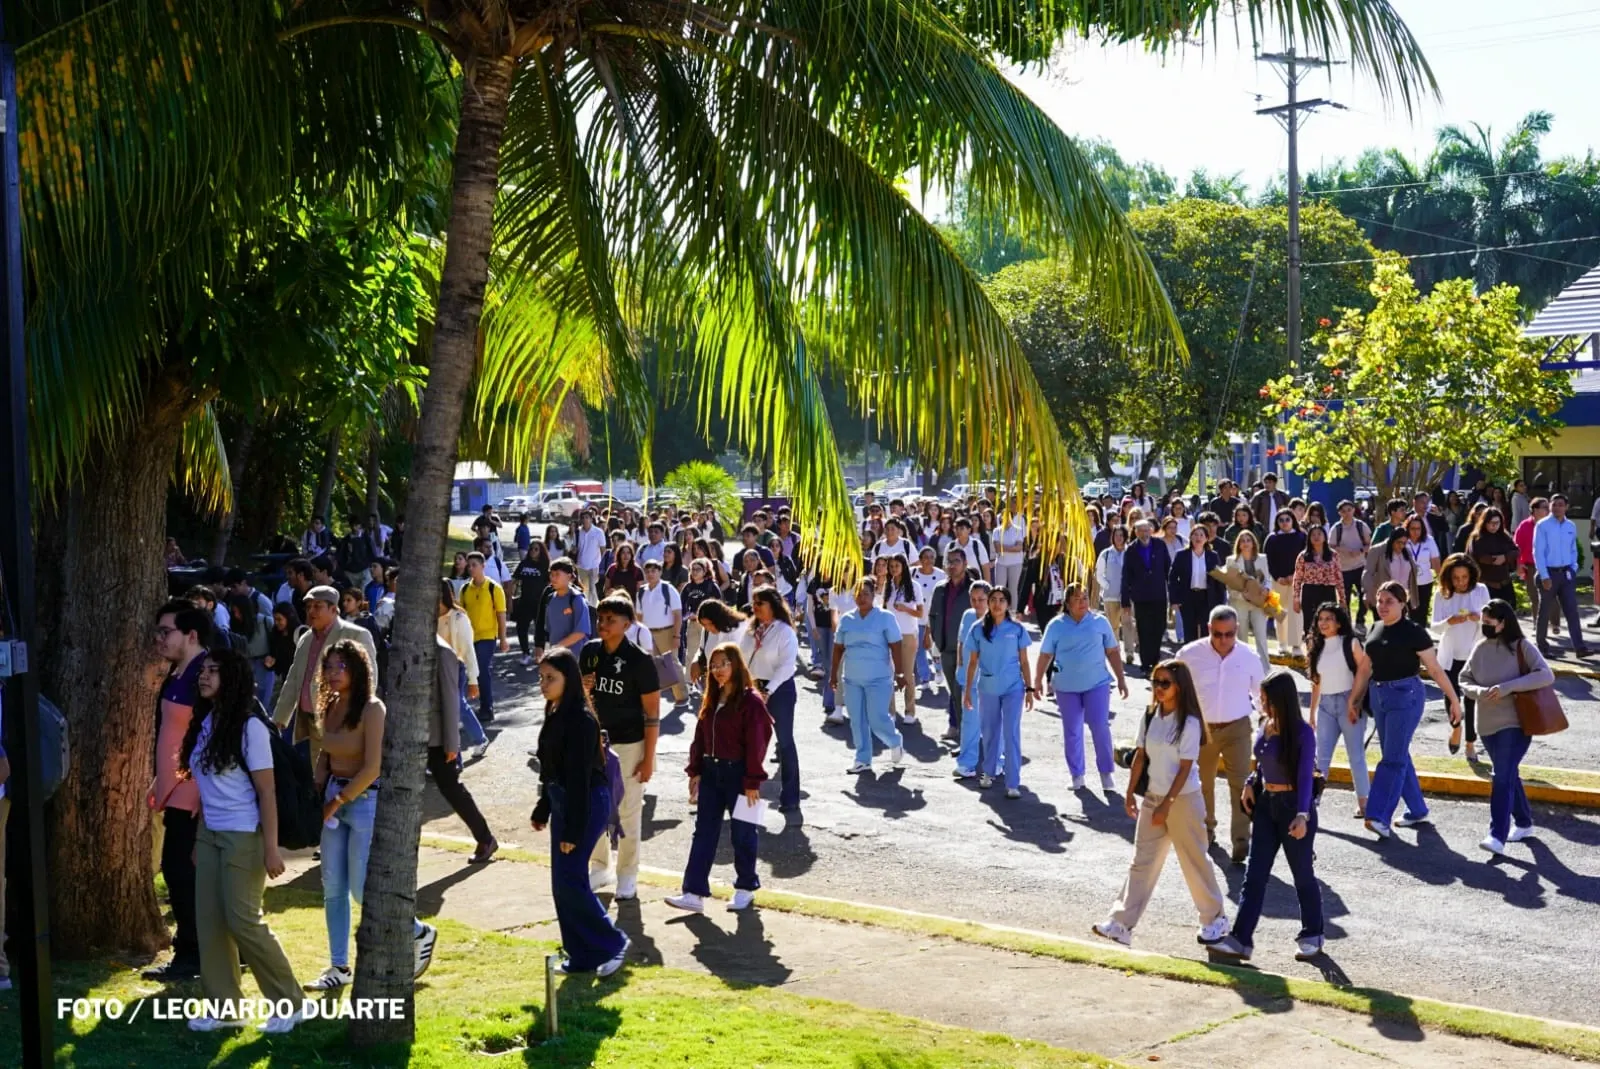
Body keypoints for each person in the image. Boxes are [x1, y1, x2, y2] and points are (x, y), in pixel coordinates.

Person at [180, 649, 303, 1033]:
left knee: (243, 920)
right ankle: (225, 1008)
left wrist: (271, 847)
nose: (204, 676)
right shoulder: (206, 723)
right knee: (210, 923)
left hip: (244, 836)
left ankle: (291, 1003)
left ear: (231, 678)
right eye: (203, 670)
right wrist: (200, 838)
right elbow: (207, 785)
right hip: (211, 835)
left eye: (213, 671)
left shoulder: (250, 727)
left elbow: (266, 792)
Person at [303, 640, 437, 991]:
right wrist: (319, 783)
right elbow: (326, 750)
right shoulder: (330, 704)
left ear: (357, 670)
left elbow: (373, 767)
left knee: (363, 888)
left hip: (363, 801)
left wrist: (338, 800)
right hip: (333, 794)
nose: (332, 673)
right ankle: (338, 966)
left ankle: (417, 931)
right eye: (328, 666)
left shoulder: (372, 709)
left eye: (340, 667)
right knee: (333, 886)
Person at [1092, 660, 1228, 948]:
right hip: (1154, 797)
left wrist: (1168, 804)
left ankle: (1215, 919)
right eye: (1155, 682)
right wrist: (1130, 793)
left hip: (1183, 801)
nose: (1158, 688)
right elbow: (1141, 756)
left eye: (1165, 683)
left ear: (1179, 687)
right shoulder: (1151, 715)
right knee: (1142, 862)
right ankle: (1121, 924)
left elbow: (1185, 768)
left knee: (1194, 861)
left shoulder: (1189, 723)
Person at [1207, 671, 1325, 963]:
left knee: (1302, 875)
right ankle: (1240, 940)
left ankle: (1313, 934)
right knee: (1254, 876)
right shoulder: (1265, 724)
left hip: (1293, 807)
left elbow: (1305, 777)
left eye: (1265, 698)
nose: (1261, 703)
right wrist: (1250, 781)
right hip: (1265, 805)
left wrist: (1302, 815)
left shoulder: (1301, 732)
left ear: (1279, 700)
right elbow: (1261, 763)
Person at [529, 648, 630, 977]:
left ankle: (612, 943)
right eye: (542, 677)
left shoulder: (581, 720)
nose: (543, 684)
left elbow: (578, 779)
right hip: (564, 802)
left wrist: (572, 832)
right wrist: (543, 808)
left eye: (551, 678)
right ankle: (581, 955)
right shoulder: (555, 711)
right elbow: (550, 770)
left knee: (572, 881)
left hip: (585, 804)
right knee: (562, 883)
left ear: (568, 679)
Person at [665, 643, 776, 914]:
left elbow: (759, 743)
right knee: (704, 832)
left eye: (723, 664)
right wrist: (695, 771)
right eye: (713, 666)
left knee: (744, 833)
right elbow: (700, 737)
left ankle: (745, 888)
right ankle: (693, 892)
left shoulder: (751, 701)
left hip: (741, 775)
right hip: (711, 773)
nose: (717, 671)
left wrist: (753, 782)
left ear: (736, 665)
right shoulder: (711, 698)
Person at [1353, 582, 1463, 839]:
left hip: (1406, 696)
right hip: (1379, 696)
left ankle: (1378, 815)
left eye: (1389, 601)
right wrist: (1354, 699)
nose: (1382, 606)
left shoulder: (1414, 632)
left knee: (1392, 758)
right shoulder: (1375, 628)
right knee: (1396, 753)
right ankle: (1417, 809)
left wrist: (1454, 700)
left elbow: (1435, 670)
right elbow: (1365, 668)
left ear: (1403, 603)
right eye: (1379, 601)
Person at [143, 600, 213, 982]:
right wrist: (160, 781)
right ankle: (202, 951)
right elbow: (171, 736)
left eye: (166, 631)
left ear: (191, 635)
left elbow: (212, 738)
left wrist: (206, 798)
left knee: (180, 870)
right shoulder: (178, 672)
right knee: (183, 872)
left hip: (197, 795)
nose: (159, 638)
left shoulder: (207, 674)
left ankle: (192, 955)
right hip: (176, 791)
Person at [580, 596, 662, 901]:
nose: (603, 625)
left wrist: (648, 759)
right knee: (593, 807)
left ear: (627, 624)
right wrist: (584, 689)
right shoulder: (589, 653)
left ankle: (628, 874)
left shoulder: (640, 661)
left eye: (610, 620)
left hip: (629, 744)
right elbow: (579, 701)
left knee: (627, 812)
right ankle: (600, 866)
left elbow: (653, 714)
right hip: (593, 742)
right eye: (600, 619)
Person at [1459, 601, 1553, 855]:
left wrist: (1509, 687)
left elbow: (1546, 675)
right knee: (1508, 773)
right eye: (1483, 623)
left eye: (1490, 623)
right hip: (1487, 726)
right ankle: (1524, 823)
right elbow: (1463, 679)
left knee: (1501, 776)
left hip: (1516, 723)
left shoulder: (1521, 646)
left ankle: (1496, 835)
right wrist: (1478, 691)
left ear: (1503, 623)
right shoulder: (1480, 649)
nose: (1485, 627)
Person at [1176, 606, 1262, 865]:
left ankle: (1240, 840)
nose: (1223, 640)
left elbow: (1261, 694)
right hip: (1202, 729)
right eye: (1217, 634)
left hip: (1237, 727)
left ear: (1236, 631)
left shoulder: (1249, 657)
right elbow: (1175, 691)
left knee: (1240, 783)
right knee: (1203, 783)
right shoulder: (1189, 655)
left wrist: (1267, 722)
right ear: (1209, 629)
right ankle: (1206, 830)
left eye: (1229, 634)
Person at [1033, 583, 1128, 791]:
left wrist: (1121, 679)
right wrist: (1038, 680)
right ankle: (1077, 774)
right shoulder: (1056, 625)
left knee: (1100, 726)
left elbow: (1112, 651)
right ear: (1067, 603)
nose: (1082, 602)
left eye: (1085, 598)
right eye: (1076, 599)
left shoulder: (1099, 622)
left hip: (1097, 684)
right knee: (1072, 730)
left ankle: (1106, 773)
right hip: (1066, 687)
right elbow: (1045, 654)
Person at [429, 629, 498, 864]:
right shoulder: (403, 643)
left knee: (451, 788)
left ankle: (485, 838)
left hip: (437, 737)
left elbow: (451, 699)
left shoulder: (442, 652)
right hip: (413, 735)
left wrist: (452, 743)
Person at [962, 586, 1034, 798]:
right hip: (988, 688)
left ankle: (1013, 782)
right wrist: (967, 690)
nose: (997, 603)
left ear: (1008, 604)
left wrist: (1029, 689)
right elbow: (973, 662)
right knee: (990, 732)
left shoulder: (1017, 630)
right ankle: (988, 772)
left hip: (1013, 688)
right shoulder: (977, 628)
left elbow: (1024, 661)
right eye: (993, 599)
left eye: (1002, 600)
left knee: (1011, 733)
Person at [830, 577, 906, 774]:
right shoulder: (847, 619)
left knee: (877, 717)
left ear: (874, 596)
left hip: (879, 678)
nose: (862, 598)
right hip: (852, 678)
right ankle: (863, 758)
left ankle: (894, 740)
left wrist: (900, 672)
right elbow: (838, 648)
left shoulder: (885, 617)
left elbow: (896, 645)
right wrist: (833, 675)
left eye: (866, 594)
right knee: (856, 719)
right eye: (858, 594)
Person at [1306, 605, 1371, 818]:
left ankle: (1364, 804)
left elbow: (1365, 671)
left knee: (1356, 756)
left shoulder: (1350, 643)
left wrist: (1355, 702)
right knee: (1321, 757)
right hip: (1325, 706)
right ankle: (1311, 802)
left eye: (1329, 619)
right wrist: (1312, 712)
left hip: (1348, 703)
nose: (1324, 623)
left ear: (1339, 622)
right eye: (1320, 619)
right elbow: (1316, 682)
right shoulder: (1314, 645)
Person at [742, 588, 801, 814]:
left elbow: (787, 666)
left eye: (760, 603)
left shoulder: (784, 632)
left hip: (779, 689)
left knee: (785, 742)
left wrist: (769, 690)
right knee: (748, 744)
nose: (755, 607)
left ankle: (790, 798)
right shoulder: (751, 630)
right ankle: (745, 801)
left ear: (773, 605)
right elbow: (742, 657)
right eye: (754, 602)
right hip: (754, 687)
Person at [1433, 554, 1490, 761]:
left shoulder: (1481, 591)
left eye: (1464, 577)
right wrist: (1449, 621)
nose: (1460, 582)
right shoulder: (1442, 595)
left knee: (1470, 701)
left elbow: (1492, 622)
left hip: (1473, 655)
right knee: (1450, 697)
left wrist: (1480, 618)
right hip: (1450, 655)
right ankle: (1456, 726)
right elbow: (1435, 627)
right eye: (1456, 578)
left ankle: (1470, 743)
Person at [1533, 494, 1591, 657]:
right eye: (1554, 504)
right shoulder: (1542, 526)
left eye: (1561, 504)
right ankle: (1542, 647)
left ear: (1566, 507)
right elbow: (1538, 552)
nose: (1557, 507)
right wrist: (1544, 576)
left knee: (1572, 610)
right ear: (1550, 506)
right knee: (1544, 611)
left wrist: (1573, 568)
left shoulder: (1570, 526)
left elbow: (1573, 549)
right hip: (1548, 574)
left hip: (1566, 574)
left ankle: (1580, 647)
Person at [928, 548, 975, 745]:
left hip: (970, 650)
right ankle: (963, 734)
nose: (952, 565)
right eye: (949, 561)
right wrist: (936, 640)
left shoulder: (975, 589)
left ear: (965, 564)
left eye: (956, 561)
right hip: (947, 648)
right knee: (955, 694)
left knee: (966, 692)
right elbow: (932, 615)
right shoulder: (940, 588)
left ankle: (969, 738)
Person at [459, 552, 510, 725]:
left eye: (474, 564)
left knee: (482, 668)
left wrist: (503, 639)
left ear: (483, 566)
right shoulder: (465, 589)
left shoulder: (494, 588)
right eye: (469, 565)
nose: (471, 568)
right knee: (469, 671)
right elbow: (461, 615)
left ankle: (487, 708)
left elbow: (501, 615)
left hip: (487, 636)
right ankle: (472, 705)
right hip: (469, 637)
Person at [1121, 520, 1172, 674]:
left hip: (1159, 595)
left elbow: (1167, 568)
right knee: (1144, 630)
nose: (1144, 533)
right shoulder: (1131, 550)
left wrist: (1172, 592)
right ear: (1135, 532)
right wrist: (1125, 601)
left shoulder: (1159, 545)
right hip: (1141, 597)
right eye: (1141, 531)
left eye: (1146, 530)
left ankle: (1155, 660)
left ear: (1151, 530)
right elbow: (1126, 576)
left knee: (1159, 628)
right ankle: (1145, 664)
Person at [1220, 530, 1272, 674]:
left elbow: (1268, 579)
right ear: (1239, 544)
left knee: (1261, 635)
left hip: (1259, 603)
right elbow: (1229, 585)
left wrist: (1267, 589)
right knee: (1241, 636)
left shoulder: (1262, 558)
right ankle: (1242, 668)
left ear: (1253, 542)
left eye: (1248, 540)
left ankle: (1265, 670)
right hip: (1239, 602)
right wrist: (1243, 595)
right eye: (1242, 540)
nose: (1245, 543)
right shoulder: (1231, 560)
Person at [882, 554, 925, 723]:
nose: (893, 570)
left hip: (907, 634)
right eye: (891, 567)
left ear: (904, 567)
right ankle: (891, 712)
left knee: (907, 673)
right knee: (888, 673)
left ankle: (910, 711)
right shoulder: (888, 586)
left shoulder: (914, 586)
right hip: (889, 635)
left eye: (896, 566)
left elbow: (920, 613)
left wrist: (906, 609)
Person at [1167, 525, 1225, 645]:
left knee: (1206, 631)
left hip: (1207, 598)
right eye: (1195, 534)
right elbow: (1172, 578)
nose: (1198, 538)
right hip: (1187, 597)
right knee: (1189, 632)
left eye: (1201, 535)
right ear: (1190, 537)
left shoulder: (1212, 556)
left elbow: (1219, 580)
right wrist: (1174, 600)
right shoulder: (1182, 555)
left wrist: (1221, 601)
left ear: (1206, 539)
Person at [1264, 510, 1307, 658]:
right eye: (1281, 520)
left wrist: (1295, 576)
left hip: (1297, 581)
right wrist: (1277, 577)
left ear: (1292, 520)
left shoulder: (1301, 537)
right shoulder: (1272, 539)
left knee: (1296, 613)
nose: (1284, 522)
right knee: (1279, 612)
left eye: (1287, 519)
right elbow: (1268, 560)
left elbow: (1306, 558)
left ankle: (1296, 645)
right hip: (1278, 581)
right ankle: (1282, 644)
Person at [1095, 525, 1138, 663]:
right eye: (1116, 535)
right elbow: (1099, 574)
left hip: (1127, 596)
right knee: (1113, 626)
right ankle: (1115, 652)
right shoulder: (1106, 554)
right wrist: (1107, 586)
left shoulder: (1130, 553)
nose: (1118, 538)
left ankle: (1129, 652)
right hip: (1110, 596)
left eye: (1121, 535)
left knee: (1128, 624)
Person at [1467, 507, 1519, 606]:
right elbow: (1475, 557)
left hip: (1504, 582)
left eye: (1497, 523)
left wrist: (1505, 557)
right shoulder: (1477, 538)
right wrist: (1493, 560)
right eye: (1491, 523)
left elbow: (1515, 550)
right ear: (1484, 522)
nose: (1494, 526)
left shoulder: (1504, 535)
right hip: (1486, 584)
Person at [1330, 500, 1371, 628]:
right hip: (1343, 569)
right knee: (1344, 599)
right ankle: (1346, 623)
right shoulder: (1337, 528)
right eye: (1343, 511)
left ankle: (1360, 620)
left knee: (1365, 594)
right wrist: (1344, 550)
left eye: (1349, 509)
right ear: (1339, 513)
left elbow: (1370, 544)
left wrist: (1360, 551)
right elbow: (1330, 546)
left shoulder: (1361, 526)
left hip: (1360, 566)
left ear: (1354, 510)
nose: (1347, 513)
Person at [511, 539, 552, 667]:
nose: (533, 551)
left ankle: (539, 653)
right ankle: (525, 653)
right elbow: (515, 580)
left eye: (536, 549)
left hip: (540, 602)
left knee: (540, 630)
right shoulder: (524, 564)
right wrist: (510, 597)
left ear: (541, 551)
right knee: (521, 628)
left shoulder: (545, 566)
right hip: (524, 601)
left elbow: (550, 584)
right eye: (531, 549)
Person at [1363, 526, 1418, 616]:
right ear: (1392, 540)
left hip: (1402, 599)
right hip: (1383, 599)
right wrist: (1367, 593)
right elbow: (1368, 573)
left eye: (1404, 543)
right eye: (1398, 542)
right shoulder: (1377, 550)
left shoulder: (1407, 552)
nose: (1401, 546)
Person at [1404, 514, 1441, 626]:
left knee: (1423, 610)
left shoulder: (1429, 540)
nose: (1416, 532)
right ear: (1408, 529)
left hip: (1425, 581)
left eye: (1418, 529)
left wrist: (1441, 579)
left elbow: (1435, 560)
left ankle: (1422, 635)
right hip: (1407, 582)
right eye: (1413, 529)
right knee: (1410, 611)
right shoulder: (1404, 541)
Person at [572, 511, 607, 605]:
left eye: (587, 517)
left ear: (591, 519)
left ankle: (594, 610)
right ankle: (586, 608)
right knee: (584, 590)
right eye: (583, 518)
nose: (585, 520)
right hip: (580, 566)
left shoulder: (598, 532)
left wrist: (602, 565)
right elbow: (575, 549)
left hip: (594, 566)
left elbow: (603, 550)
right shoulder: (577, 532)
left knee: (592, 589)